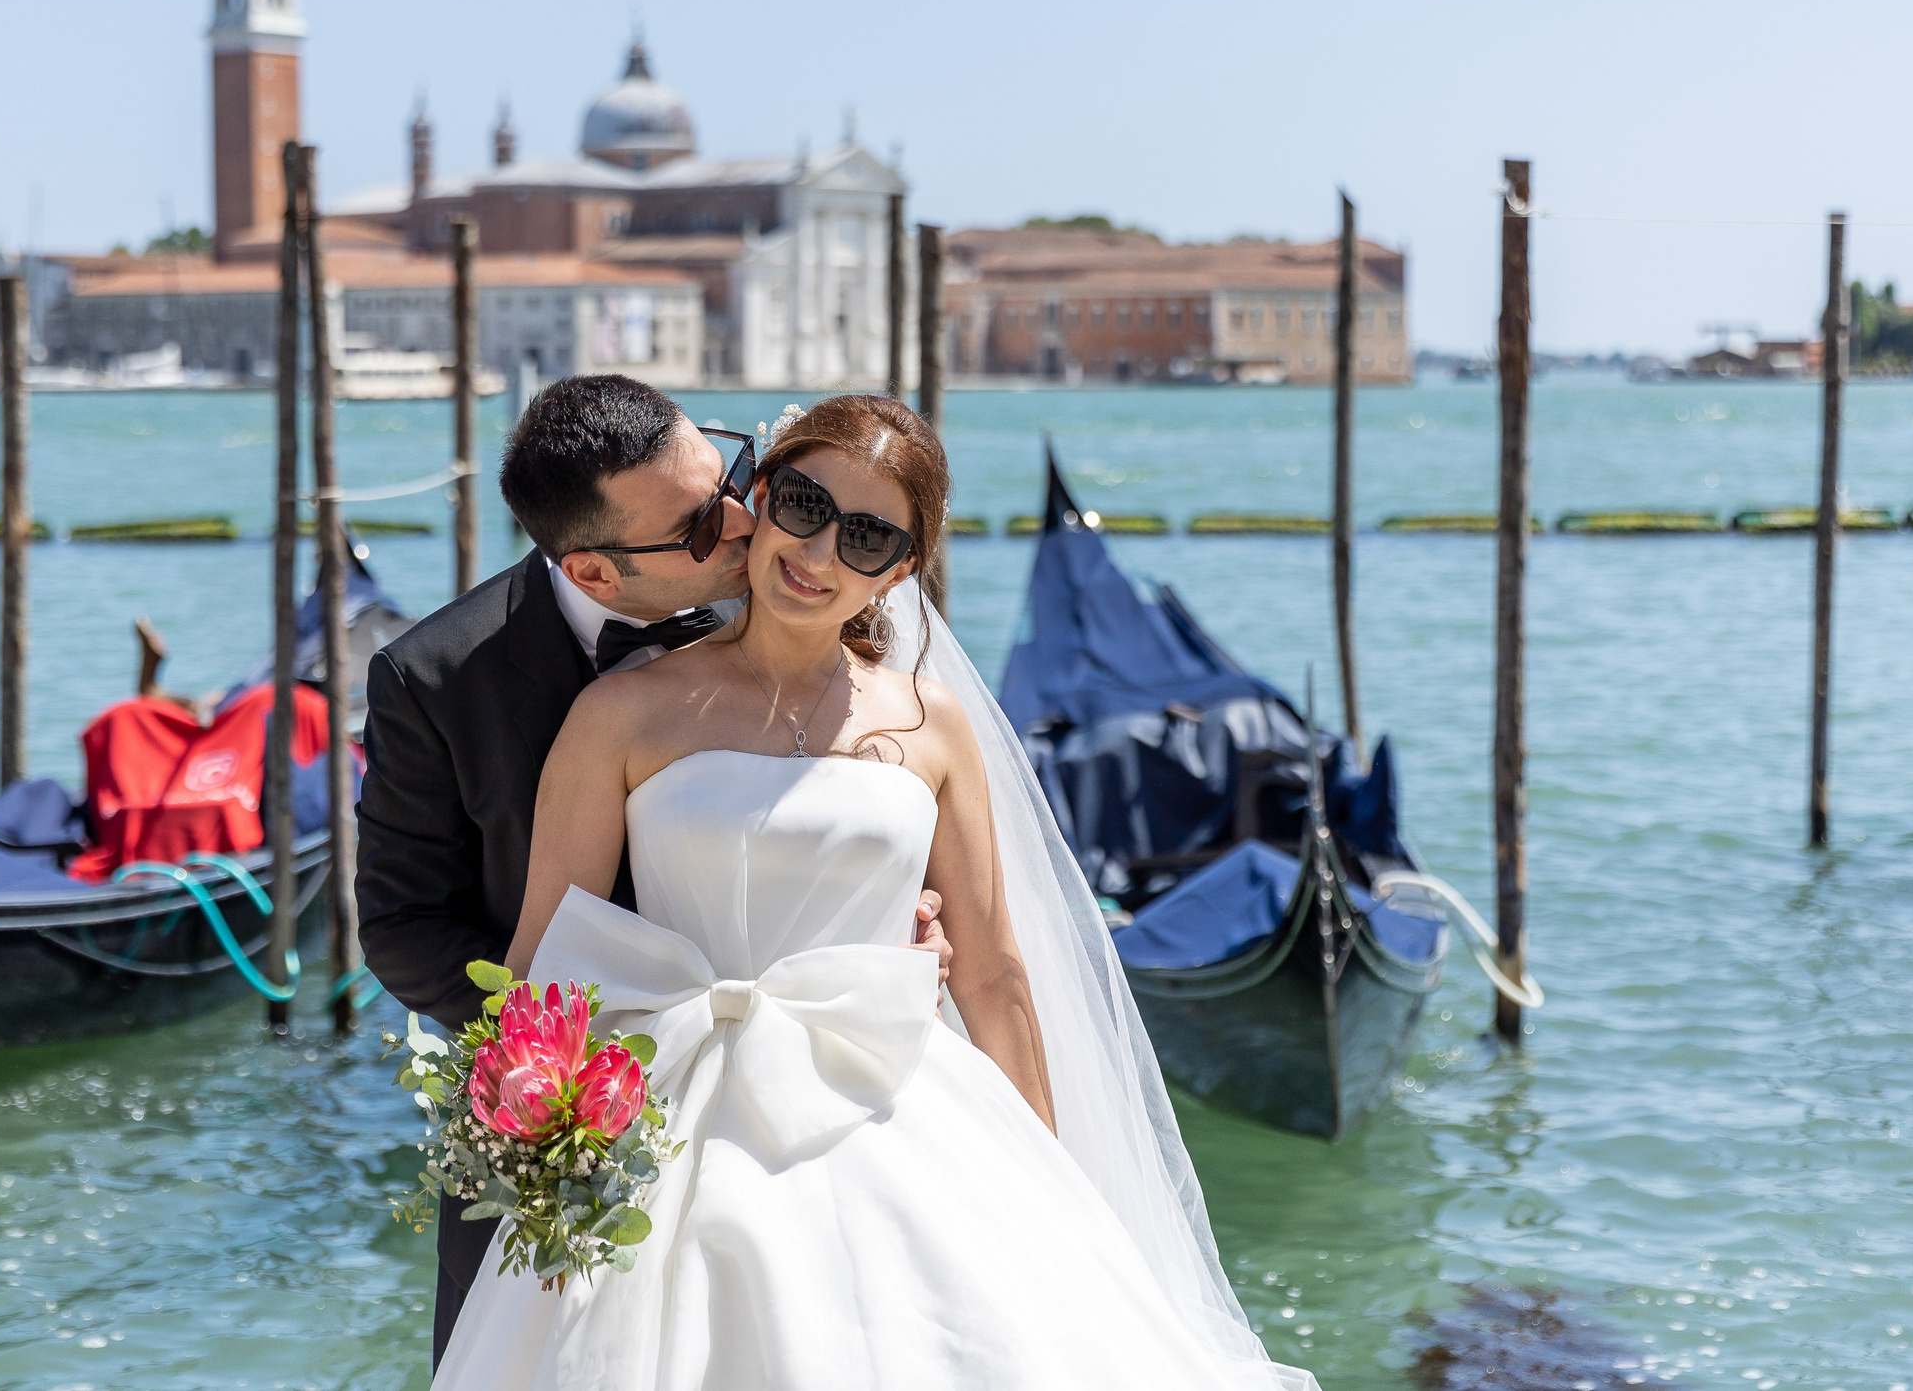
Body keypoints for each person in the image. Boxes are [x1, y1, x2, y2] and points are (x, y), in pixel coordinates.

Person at [433, 395, 1313, 1391]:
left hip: (897, 1103)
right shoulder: (618, 713)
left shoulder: (933, 726)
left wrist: (1049, 1182)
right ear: (757, 499)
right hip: (670, 1124)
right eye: (804, 505)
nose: (818, 553)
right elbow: (542, 965)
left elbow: (991, 972)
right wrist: (534, 1169)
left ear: (899, 568)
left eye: (867, 537)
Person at [355, 374, 951, 1367]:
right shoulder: (431, 680)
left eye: (730, 477)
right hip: (573, 1118)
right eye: (698, 525)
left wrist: (901, 915)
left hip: (822, 1103)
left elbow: (880, 810)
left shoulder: (798, 591)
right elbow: (404, 929)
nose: (744, 521)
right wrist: (586, 1053)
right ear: (594, 573)